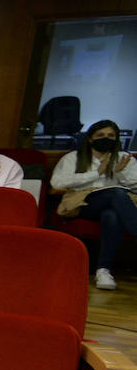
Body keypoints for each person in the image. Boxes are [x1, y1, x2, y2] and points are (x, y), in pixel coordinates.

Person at [51, 119, 137, 291]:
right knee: (116, 193)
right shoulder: (73, 157)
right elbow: (57, 183)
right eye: (101, 135)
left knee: (111, 214)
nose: (106, 138)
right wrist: (97, 173)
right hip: (84, 204)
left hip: (116, 206)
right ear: (90, 138)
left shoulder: (123, 158)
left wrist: (120, 173)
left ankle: (103, 270)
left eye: (111, 135)